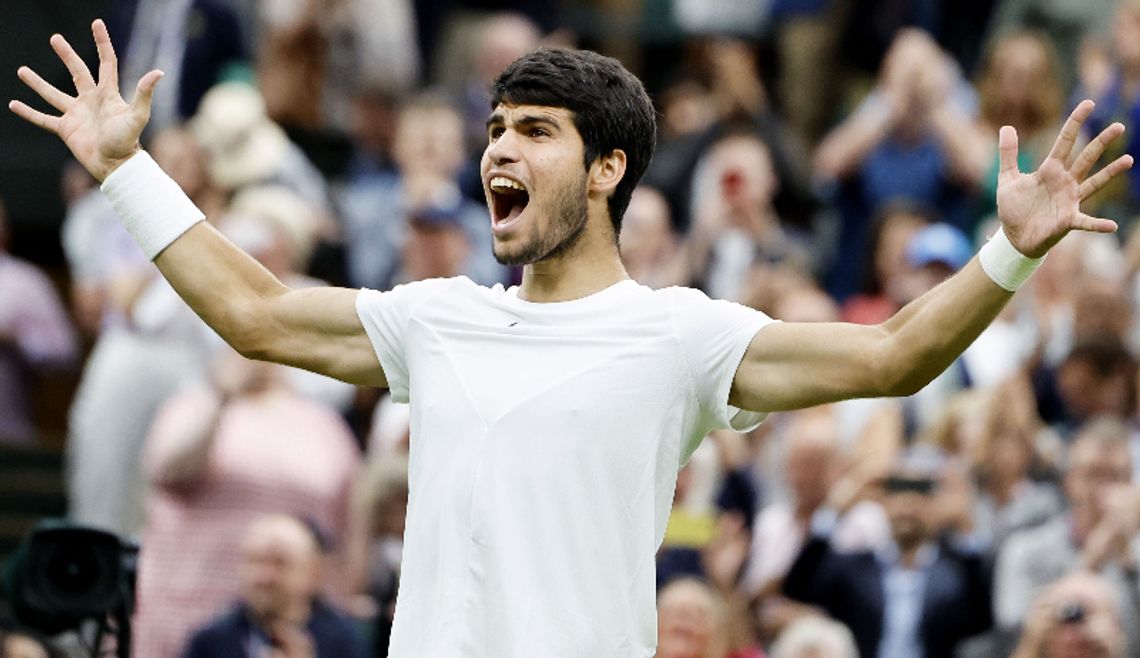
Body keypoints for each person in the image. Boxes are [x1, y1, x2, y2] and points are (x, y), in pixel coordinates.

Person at [9, 20, 1133, 657]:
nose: (500, 149)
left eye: (535, 131)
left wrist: (1014, 251)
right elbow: (252, 310)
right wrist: (126, 170)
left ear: (608, 171)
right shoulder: (434, 317)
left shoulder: (681, 337)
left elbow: (893, 356)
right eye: (496, 130)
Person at [782, 446, 994, 658]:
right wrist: (837, 506)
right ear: (882, 499)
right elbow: (798, 588)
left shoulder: (954, 573)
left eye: (921, 489)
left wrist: (965, 526)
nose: (908, 502)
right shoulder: (855, 569)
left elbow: (982, 619)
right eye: (897, 488)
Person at [181, 514, 372, 658]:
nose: (264, 576)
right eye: (255, 561)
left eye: (280, 563)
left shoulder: (344, 642)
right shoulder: (211, 640)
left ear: (313, 573)